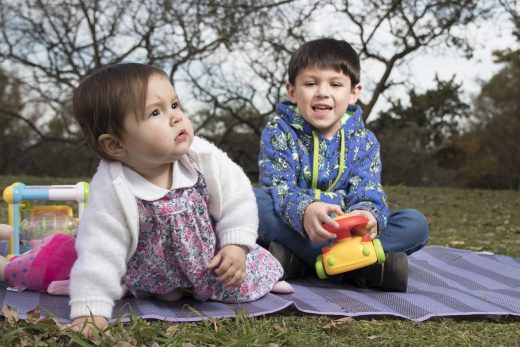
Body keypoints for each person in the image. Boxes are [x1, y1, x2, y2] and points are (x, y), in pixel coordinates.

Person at [69, 63, 290, 337]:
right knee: (109, 264)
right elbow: (99, 250)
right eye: (155, 112)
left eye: (174, 104)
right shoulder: (113, 187)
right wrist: (91, 311)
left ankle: (263, 267)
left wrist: (236, 244)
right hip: (153, 271)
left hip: (210, 263)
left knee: (240, 280)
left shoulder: (200, 157)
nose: (175, 117)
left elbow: (237, 197)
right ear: (115, 145)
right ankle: (167, 286)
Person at [255, 38, 429, 290]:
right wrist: (306, 211)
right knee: (255, 201)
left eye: (335, 84)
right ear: (292, 91)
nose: (323, 92)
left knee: (415, 224)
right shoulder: (278, 131)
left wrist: (368, 216)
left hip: (349, 232)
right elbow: (279, 187)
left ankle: (300, 262)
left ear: (353, 93)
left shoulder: (365, 142)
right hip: (299, 227)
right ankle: (362, 268)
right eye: (311, 83)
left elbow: (368, 190)